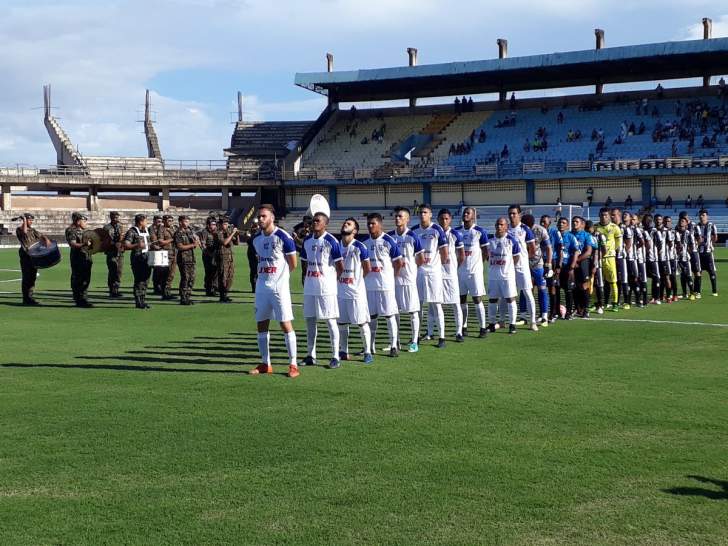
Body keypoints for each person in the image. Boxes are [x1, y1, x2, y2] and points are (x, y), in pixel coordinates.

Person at [249, 204, 299, 378]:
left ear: (272, 218)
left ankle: (293, 364)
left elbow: (293, 263)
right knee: (261, 324)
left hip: (279, 288)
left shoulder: (283, 237)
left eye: (263, 216)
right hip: (262, 287)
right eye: (259, 216)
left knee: (285, 324)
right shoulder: (256, 239)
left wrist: (281, 279)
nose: (260, 219)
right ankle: (265, 363)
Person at [300, 211, 343, 368]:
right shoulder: (306, 240)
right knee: (310, 321)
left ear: (325, 223)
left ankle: (335, 356)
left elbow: (340, 266)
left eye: (318, 221)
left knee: (330, 321)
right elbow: (304, 263)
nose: (314, 223)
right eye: (313, 221)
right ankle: (311, 355)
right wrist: (305, 279)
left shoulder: (331, 241)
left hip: (326, 288)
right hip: (310, 287)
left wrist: (331, 281)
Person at [363, 213, 402, 358]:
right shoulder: (365, 242)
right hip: (369, 285)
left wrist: (390, 278)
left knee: (389, 315)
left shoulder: (389, 241)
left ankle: (393, 346)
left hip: (385, 286)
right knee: (371, 316)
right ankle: (370, 346)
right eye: (368, 223)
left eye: (373, 223)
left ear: (380, 224)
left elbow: (398, 263)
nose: (370, 226)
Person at [412, 204, 449, 347]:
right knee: (418, 305)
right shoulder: (414, 231)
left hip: (433, 273)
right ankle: (417, 336)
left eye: (425, 212)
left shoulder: (437, 229)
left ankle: (442, 337)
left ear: (430, 214)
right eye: (421, 212)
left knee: (436, 304)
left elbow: (444, 254)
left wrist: (435, 265)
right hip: (419, 273)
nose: (422, 215)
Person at [337, 218, 373, 364]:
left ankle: (367, 352)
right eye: (345, 223)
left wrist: (356, 281)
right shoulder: (336, 246)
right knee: (342, 323)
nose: (345, 224)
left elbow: (368, 268)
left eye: (349, 224)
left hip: (356, 292)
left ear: (355, 231)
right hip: (340, 291)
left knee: (361, 322)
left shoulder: (360, 247)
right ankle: (343, 351)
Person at [388, 207, 423, 352]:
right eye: (396, 216)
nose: (397, 219)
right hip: (392, 280)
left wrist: (410, 270)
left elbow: (420, 259)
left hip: (408, 280)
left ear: (407, 219)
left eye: (401, 216)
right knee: (394, 311)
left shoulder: (413, 237)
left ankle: (414, 342)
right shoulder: (389, 237)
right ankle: (395, 342)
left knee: (412, 311)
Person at [456, 207, 489, 337]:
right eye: (464, 212)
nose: (465, 214)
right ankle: (463, 326)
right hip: (460, 271)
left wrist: (478, 264)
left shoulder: (480, 232)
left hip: (474, 272)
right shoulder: (457, 232)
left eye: (468, 213)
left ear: (474, 216)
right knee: (461, 299)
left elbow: (486, 251)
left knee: (477, 298)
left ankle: (482, 327)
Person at [486, 217, 520, 335]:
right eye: (497, 224)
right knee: (492, 300)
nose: (499, 227)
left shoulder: (512, 240)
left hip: (507, 276)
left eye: (501, 225)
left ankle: (512, 324)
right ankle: (491, 323)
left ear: (506, 227)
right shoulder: (490, 240)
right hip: (493, 276)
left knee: (510, 299)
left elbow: (516, 257)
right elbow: (486, 255)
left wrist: (508, 268)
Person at [507, 205, 538, 331]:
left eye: (514, 213)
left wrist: (524, 259)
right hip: (508, 267)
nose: (512, 216)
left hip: (522, 267)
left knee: (527, 293)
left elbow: (533, 248)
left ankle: (533, 321)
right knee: (508, 294)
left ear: (519, 215)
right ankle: (509, 322)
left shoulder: (525, 229)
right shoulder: (506, 229)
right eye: (510, 213)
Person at [437, 209, 466, 342]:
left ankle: (458, 331)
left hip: (451, 274)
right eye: (442, 218)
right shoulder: (434, 233)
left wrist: (454, 268)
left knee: (455, 303)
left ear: (450, 220)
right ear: (438, 219)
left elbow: (462, 256)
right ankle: (434, 331)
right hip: (437, 275)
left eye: (446, 219)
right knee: (437, 304)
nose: (444, 221)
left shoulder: (456, 234)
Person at [15, 213, 51, 305]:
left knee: (32, 276)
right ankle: (26, 299)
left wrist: (46, 239)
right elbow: (25, 232)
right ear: (25, 220)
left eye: (31, 220)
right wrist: (24, 220)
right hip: (26, 255)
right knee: (27, 277)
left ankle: (30, 297)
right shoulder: (19, 229)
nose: (31, 222)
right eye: (29, 220)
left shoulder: (33, 230)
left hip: (34, 256)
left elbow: (41, 235)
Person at [522, 213, 551, 325]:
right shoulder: (520, 230)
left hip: (538, 263)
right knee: (524, 289)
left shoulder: (541, 230)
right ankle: (523, 316)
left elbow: (548, 247)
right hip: (524, 264)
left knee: (542, 289)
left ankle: (544, 316)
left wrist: (548, 264)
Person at [595, 207, 622, 312]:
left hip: (610, 258)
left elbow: (618, 243)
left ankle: (615, 303)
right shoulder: (595, 227)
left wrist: (612, 252)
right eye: (602, 215)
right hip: (598, 258)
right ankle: (599, 303)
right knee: (597, 282)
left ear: (610, 216)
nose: (603, 217)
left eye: (606, 215)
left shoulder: (614, 227)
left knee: (613, 281)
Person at [65, 212, 94, 308]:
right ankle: (79, 299)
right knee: (78, 279)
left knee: (86, 279)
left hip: (86, 257)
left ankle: (83, 298)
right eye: (84, 221)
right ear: (78, 221)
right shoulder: (71, 230)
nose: (85, 223)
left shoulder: (84, 231)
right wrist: (84, 244)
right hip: (78, 258)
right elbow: (72, 244)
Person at [123, 214, 152, 309]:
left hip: (147, 258)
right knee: (139, 280)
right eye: (145, 221)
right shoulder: (132, 231)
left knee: (146, 280)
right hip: (138, 259)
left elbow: (148, 244)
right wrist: (137, 245)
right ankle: (138, 301)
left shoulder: (146, 231)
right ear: (141, 221)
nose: (146, 223)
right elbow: (126, 245)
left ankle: (143, 300)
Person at [554, 217, 580, 319]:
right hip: (555, 266)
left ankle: (568, 312)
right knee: (555, 290)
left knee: (568, 290)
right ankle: (556, 312)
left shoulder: (570, 237)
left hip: (566, 266)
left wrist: (572, 266)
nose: (561, 224)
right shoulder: (553, 236)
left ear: (567, 225)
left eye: (563, 223)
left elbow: (577, 251)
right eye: (560, 223)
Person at [540, 214, 562, 322]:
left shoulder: (554, 232)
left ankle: (553, 314)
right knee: (541, 287)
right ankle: (542, 314)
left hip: (552, 261)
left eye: (545, 222)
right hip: (540, 262)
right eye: (541, 221)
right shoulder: (538, 231)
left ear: (549, 223)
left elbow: (560, 249)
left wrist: (558, 265)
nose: (542, 223)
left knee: (552, 288)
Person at [570, 216, 593, 317]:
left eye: (577, 221)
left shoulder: (586, 235)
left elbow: (588, 252)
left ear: (582, 224)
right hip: (571, 263)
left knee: (584, 286)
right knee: (573, 286)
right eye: (573, 221)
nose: (574, 223)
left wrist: (577, 260)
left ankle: (586, 309)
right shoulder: (568, 235)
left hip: (583, 263)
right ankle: (577, 308)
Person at [174, 215, 200, 305]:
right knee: (185, 278)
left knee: (192, 278)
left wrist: (195, 241)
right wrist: (193, 245)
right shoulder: (178, 233)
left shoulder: (189, 232)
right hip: (183, 258)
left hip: (191, 258)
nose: (187, 223)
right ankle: (183, 297)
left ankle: (188, 296)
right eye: (185, 221)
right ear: (180, 222)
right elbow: (180, 246)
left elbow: (194, 245)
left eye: (188, 221)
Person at [149, 214, 176, 300]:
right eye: (169, 221)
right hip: (163, 253)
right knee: (161, 273)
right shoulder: (158, 229)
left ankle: (166, 291)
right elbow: (157, 241)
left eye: (171, 221)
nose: (171, 222)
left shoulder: (173, 228)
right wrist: (172, 239)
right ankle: (162, 291)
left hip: (173, 253)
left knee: (171, 274)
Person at [215, 216, 239, 303]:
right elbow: (225, 242)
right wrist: (232, 233)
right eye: (224, 224)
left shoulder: (228, 232)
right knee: (222, 276)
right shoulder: (218, 233)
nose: (226, 226)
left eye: (227, 224)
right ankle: (222, 296)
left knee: (230, 276)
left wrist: (237, 234)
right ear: (220, 225)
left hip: (230, 257)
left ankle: (226, 293)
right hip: (222, 257)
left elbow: (236, 243)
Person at [696, 208, 718, 296]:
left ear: (707, 216)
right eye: (700, 215)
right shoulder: (696, 226)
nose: (701, 217)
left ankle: (714, 291)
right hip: (698, 253)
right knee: (698, 272)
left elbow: (715, 237)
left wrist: (711, 244)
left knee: (712, 271)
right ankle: (698, 292)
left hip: (708, 253)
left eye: (703, 215)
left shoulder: (711, 225)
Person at [103, 211, 125, 298]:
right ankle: (111, 290)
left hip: (119, 252)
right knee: (112, 270)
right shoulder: (106, 227)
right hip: (111, 252)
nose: (116, 219)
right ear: (111, 217)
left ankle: (116, 289)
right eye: (114, 217)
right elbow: (104, 240)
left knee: (119, 271)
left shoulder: (120, 226)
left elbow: (122, 237)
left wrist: (121, 240)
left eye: (117, 217)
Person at [200, 217, 218, 297]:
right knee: (209, 272)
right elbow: (203, 244)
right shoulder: (205, 232)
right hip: (208, 255)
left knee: (216, 272)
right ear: (208, 225)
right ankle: (208, 289)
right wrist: (207, 253)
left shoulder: (217, 231)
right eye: (212, 224)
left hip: (215, 254)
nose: (213, 226)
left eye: (214, 224)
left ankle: (214, 288)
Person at [149, 215, 164, 294]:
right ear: (154, 221)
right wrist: (152, 245)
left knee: (162, 270)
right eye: (158, 221)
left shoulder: (162, 228)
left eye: (161, 222)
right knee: (156, 270)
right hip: (153, 251)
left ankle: (160, 286)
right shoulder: (149, 229)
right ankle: (156, 287)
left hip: (162, 251)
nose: (160, 223)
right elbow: (147, 240)